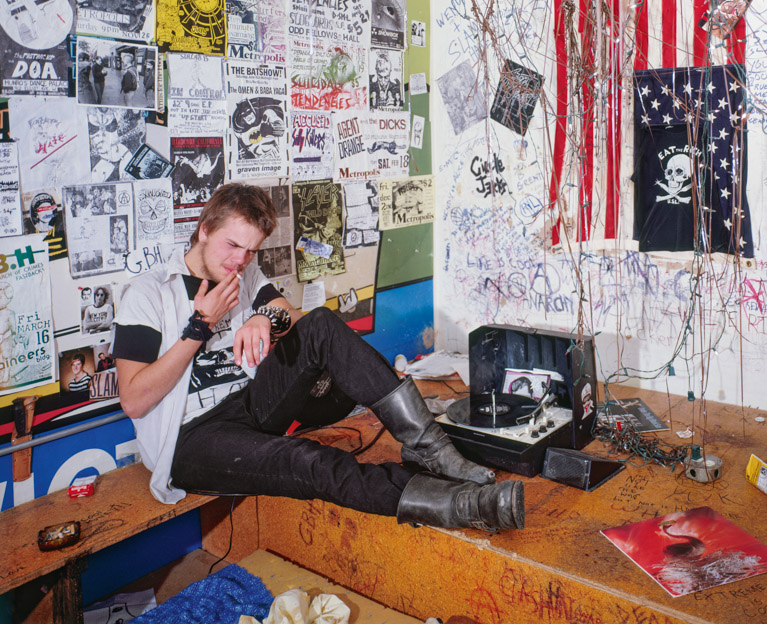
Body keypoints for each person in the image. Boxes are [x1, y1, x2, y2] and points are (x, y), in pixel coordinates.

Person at [112, 184, 523, 531]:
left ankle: (429, 447)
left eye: (250, 251)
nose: (239, 260)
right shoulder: (148, 294)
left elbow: (292, 317)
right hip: (191, 440)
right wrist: (200, 327)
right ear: (203, 230)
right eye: (232, 244)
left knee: (322, 324)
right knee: (306, 460)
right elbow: (134, 400)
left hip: (248, 406)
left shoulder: (242, 273)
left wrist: (261, 316)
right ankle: (466, 505)